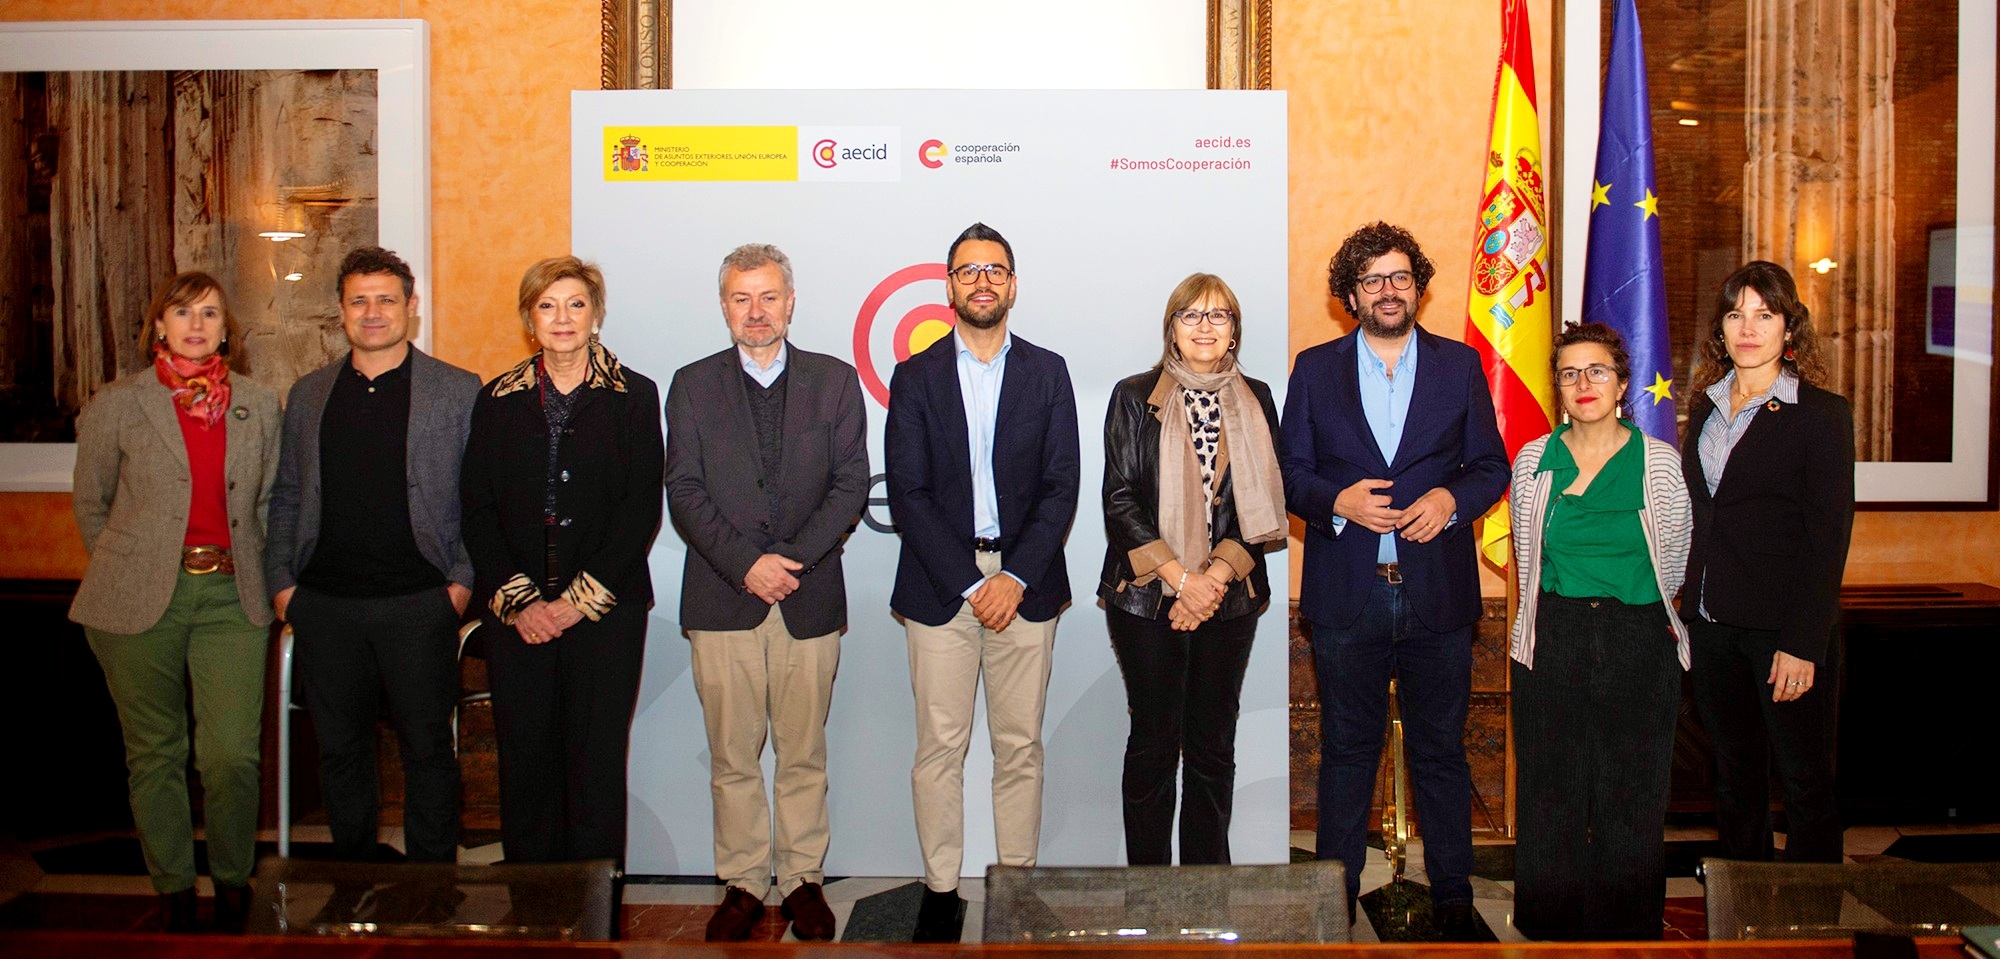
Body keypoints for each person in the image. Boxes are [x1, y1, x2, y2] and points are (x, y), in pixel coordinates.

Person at [1279, 221, 1507, 936]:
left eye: (1400, 277)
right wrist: (1335, 502)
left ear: (1418, 287)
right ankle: (1335, 896)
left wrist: (1452, 500)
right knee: (1347, 749)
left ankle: (1452, 894)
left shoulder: (1460, 366)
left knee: (1441, 749)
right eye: (1372, 279)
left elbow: (1492, 467)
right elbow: (1289, 472)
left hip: (1437, 595)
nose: (1387, 289)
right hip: (1348, 596)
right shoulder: (1315, 369)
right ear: (1351, 293)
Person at [665, 244, 868, 942]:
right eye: (741, 298)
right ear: (724, 307)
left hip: (807, 599)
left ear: (791, 301)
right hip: (724, 597)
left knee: (803, 750)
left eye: (768, 296)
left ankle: (804, 876)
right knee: (733, 754)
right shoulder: (691, 385)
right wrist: (748, 565)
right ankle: (745, 881)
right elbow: (684, 491)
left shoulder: (835, 381)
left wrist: (790, 562)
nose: (756, 311)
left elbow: (849, 485)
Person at [69, 272, 281, 933]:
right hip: (136, 602)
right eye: (181, 311)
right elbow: (91, 504)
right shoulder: (117, 404)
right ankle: (173, 892)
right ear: (158, 325)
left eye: (209, 312)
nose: (195, 323)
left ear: (226, 328)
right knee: (155, 752)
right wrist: (133, 564)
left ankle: (232, 883)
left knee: (230, 754)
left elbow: (270, 502)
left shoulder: (257, 404)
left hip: (230, 595)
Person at [886, 222, 1079, 942]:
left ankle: (1016, 883)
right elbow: (908, 493)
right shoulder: (916, 376)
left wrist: (1016, 575)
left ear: (1014, 284)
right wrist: (973, 583)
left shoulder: (1048, 371)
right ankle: (941, 888)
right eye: (969, 271)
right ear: (949, 287)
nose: (983, 281)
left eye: (995, 269)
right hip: (943, 587)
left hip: (1027, 583)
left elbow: (1062, 486)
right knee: (940, 745)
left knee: (1019, 743)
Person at [266, 245, 482, 864]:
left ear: (411, 309)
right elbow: (285, 495)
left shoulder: (457, 391)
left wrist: (461, 584)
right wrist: (283, 585)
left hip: (419, 602)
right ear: (341, 311)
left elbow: (482, 501)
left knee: (427, 749)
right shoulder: (308, 395)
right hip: (325, 605)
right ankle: (353, 876)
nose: (373, 312)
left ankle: (434, 886)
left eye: (386, 300)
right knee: (341, 750)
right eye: (359, 300)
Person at [460, 257, 664, 869]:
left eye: (575, 304)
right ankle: (534, 908)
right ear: (530, 319)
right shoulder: (495, 399)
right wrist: (523, 603)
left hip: (606, 613)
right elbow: (477, 509)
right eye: (547, 306)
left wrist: (577, 603)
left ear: (596, 315)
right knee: (526, 760)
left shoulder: (635, 395)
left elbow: (640, 509)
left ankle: (595, 909)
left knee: (595, 761)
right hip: (515, 616)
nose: (563, 318)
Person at [1505, 322, 1690, 940]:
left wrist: (1628, 614)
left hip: (1637, 639)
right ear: (1557, 386)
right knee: (1550, 794)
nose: (1583, 384)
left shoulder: (1657, 462)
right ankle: (1548, 930)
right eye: (1569, 373)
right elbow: (1528, 561)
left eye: (1597, 372)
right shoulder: (1534, 459)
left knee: (1631, 798)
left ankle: (1630, 933)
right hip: (1551, 638)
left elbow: (1676, 558)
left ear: (1622, 384)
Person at [1099, 273, 1285, 866]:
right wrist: (1183, 581)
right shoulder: (1134, 394)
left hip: (1229, 601)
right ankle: (1148, 886)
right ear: (1171, 329)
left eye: (1219, 316)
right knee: (1154, 745)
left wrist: (1214, 581)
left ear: (1234, 331)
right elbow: (1120, 499)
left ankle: (1209, 884)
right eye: (1191, 315)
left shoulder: (1256, 397)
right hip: (1147, 600)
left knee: (1212, 747)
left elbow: (1264, 503)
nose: (1205, 326)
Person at [1681, 261, 1854, 865]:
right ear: (1721, 331)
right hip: (1711, 625)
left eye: (1764, 314)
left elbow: (1827, 539)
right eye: (1735, 315)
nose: (1748, 328)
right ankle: (1743, 910)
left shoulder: (1822, 415)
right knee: (1734, 778)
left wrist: (1804, 643)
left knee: (1805, 783)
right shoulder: (1703, 408)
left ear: (1788, 328)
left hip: (1785, 633)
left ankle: (1812, 927)